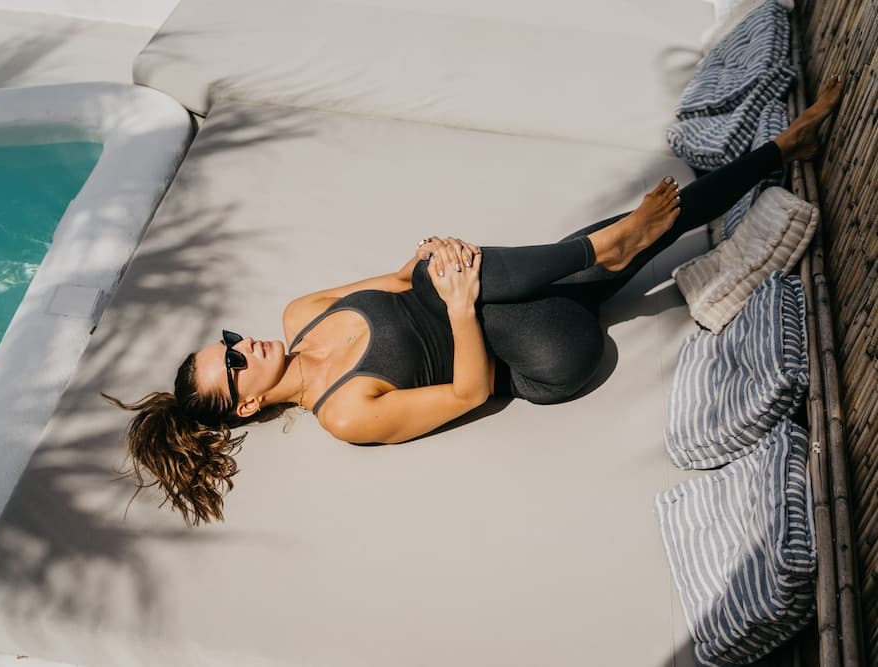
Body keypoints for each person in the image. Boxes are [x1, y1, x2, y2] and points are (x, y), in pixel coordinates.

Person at [105, 75, 845, 524]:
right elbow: (470, 393)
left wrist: (432, 251)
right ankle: (612, 246)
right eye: (234, 364)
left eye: (228, 341)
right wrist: (458, 303)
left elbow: (399, 280)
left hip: (517, 286)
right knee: (536, 266)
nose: (243, 346)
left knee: (535, 254)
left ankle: (783, 148)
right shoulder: (344, 414)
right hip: (543, 356)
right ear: (244, 405)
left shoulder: (303, 313)